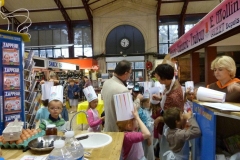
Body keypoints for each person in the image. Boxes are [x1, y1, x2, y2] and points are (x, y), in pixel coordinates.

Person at [152, 63, 184, 160]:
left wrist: (160, 119)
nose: (157, 79)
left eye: (158, 77)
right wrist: (161, 98)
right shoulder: (171, 84)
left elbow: (175, 116)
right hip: (168, 120)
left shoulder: (174, 95)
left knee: (168, 153)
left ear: (164, 78)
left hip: (172, 126)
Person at [101, 60, 132, 132]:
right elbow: (130, 112)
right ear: (126, 73)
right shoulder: (122, 90)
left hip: (108, 127)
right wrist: (138, 100)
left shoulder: (106, 83)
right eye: (130, 73)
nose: (129, 75)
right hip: (118, 131)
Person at [138, 93, 155, 160]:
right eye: (147, 102)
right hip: (146, 137)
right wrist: (148, 139)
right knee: (147, 152)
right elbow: (145, 126)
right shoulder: (142, 112)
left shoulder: (145, 111)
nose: (149, 103)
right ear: (142, 103)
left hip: (149, 134)